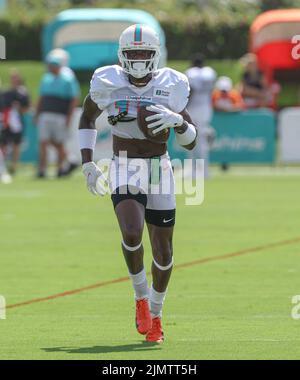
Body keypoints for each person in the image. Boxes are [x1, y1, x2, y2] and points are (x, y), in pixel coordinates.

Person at [78, 24, 197, 343]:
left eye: (145, 53)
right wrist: (88, 161)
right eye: (133, 54)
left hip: (159, 166)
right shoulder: (108, 81)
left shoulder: (172, 84)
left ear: (156, 55)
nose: (140, 60)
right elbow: (87, 116)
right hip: (125, 163)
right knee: (131, 232)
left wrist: (180, 122)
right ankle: (141, 297)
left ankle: (157, 314)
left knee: (163, 250)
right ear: (122, 56)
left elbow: (190, 142)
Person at [35, 54, 80, 178]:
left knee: (59, 142)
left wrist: (69, 117)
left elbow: (74, 99)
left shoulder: (68, 79)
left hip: (60, 115)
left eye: (53, 65)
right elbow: (41, 97)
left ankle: (60, 168)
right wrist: (37, 114)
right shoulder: (46, 78)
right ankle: (42, 170)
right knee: (43, 142)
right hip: (45, 114)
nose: (50, 68)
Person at [185, 53, 216, 178]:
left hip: (193, 108)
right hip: (206, 108)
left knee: (191, 138)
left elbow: (190, 90)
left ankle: (192, 171)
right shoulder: (210, 72)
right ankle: (205, 171)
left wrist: (183, 106)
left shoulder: (191, 73)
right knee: (203, 139)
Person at [0, 70, 30, 175]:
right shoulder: (6, 93)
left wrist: (19, 109)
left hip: (18, 122)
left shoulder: (23, 92)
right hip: (7, 121)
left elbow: (26, 107)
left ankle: (14, 166)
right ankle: (2, 165)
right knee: (3, 143)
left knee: (16, 144)